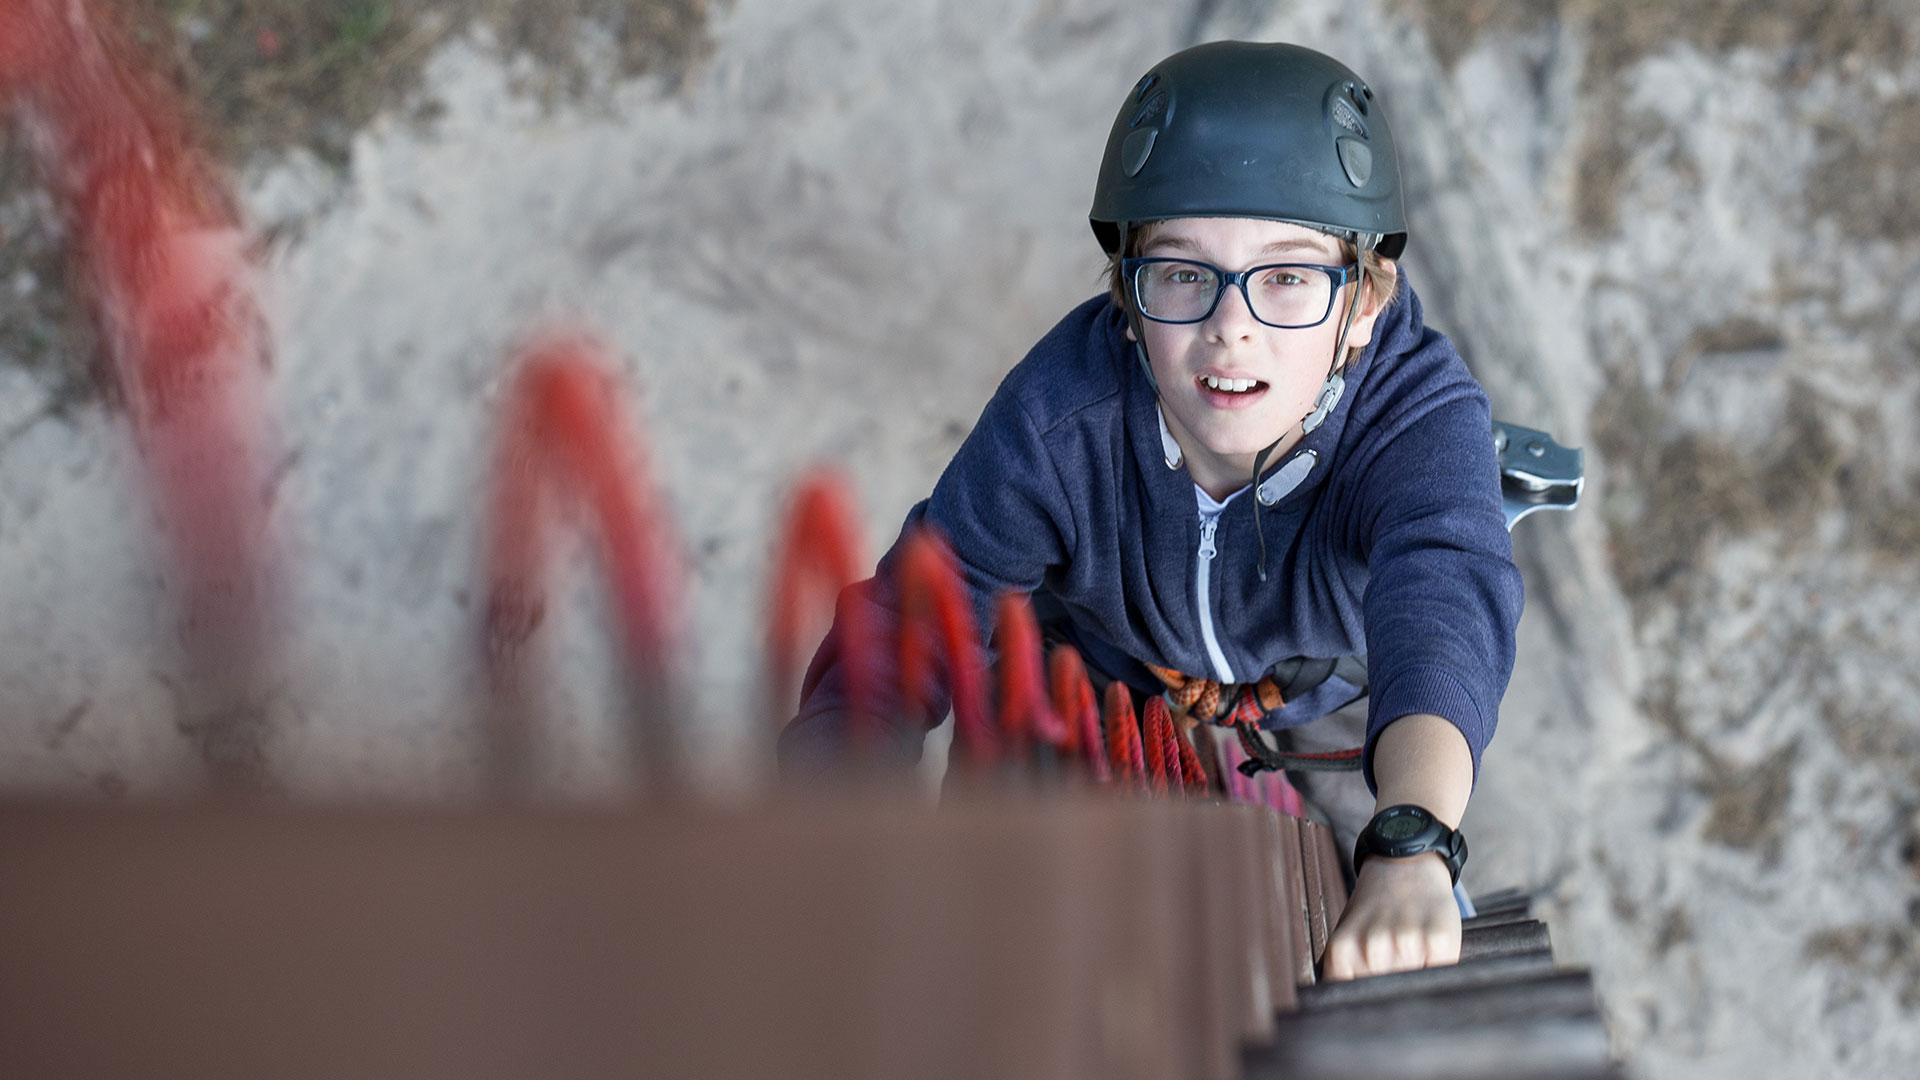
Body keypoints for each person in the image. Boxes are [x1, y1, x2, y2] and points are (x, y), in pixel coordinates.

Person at [780, 40, 1522, 982]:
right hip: (1102, 675)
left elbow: (1445, 608)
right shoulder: (1066, 416)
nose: (1231, 325)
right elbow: (924, 607)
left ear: (1366, 299)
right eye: (1183, 273)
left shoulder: (1415, 419)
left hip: (1327, 710)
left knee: (1383, 947)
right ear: (1127, 296)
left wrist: (1412, 840)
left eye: (1289, 275)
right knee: (1002, 919)